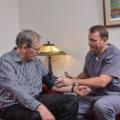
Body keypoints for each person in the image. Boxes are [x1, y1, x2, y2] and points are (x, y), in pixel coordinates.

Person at [0, 30, 91, 120]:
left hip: (35, 98)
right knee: (36, 115)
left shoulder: (36, 61)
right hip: (12, 105)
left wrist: (74, 88)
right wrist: (40, 107)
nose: (38, 52)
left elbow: (51, 82)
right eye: (36, 49)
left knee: (71, 100)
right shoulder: (6, 62)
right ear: (24, 47)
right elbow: (18, 91)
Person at [55, 25, 120, 120]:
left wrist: (74, 82)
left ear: (104, 40)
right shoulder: (91, 54)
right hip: (94, 94)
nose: (89, 43)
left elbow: (102, 82)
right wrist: (71, 79)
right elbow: (85, 73)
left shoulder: (114, 55)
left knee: (102, 106)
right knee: (71, 106)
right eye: (89, 40)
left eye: (93, 40)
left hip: (114, 95)